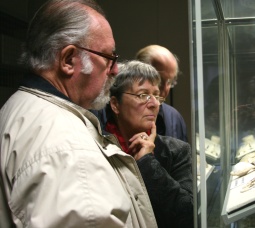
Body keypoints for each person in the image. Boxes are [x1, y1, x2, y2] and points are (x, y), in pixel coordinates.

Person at [0, 1, 157, 227]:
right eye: (109, 58)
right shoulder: (69, 149)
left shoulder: (18, 106)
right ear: (68, 60)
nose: (115, 70)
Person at [105, 60, 194, 228]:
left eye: (156, 95)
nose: (154, 104)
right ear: (116, 105)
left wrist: (147, 160)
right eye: (143, 95)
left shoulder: (176, 150)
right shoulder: (97, 149)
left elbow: (186, 216)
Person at [136, 45, 188, 142]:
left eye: (169, 82)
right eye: (159, 80)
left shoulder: (174, 118)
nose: (163, 90)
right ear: (138, 74)